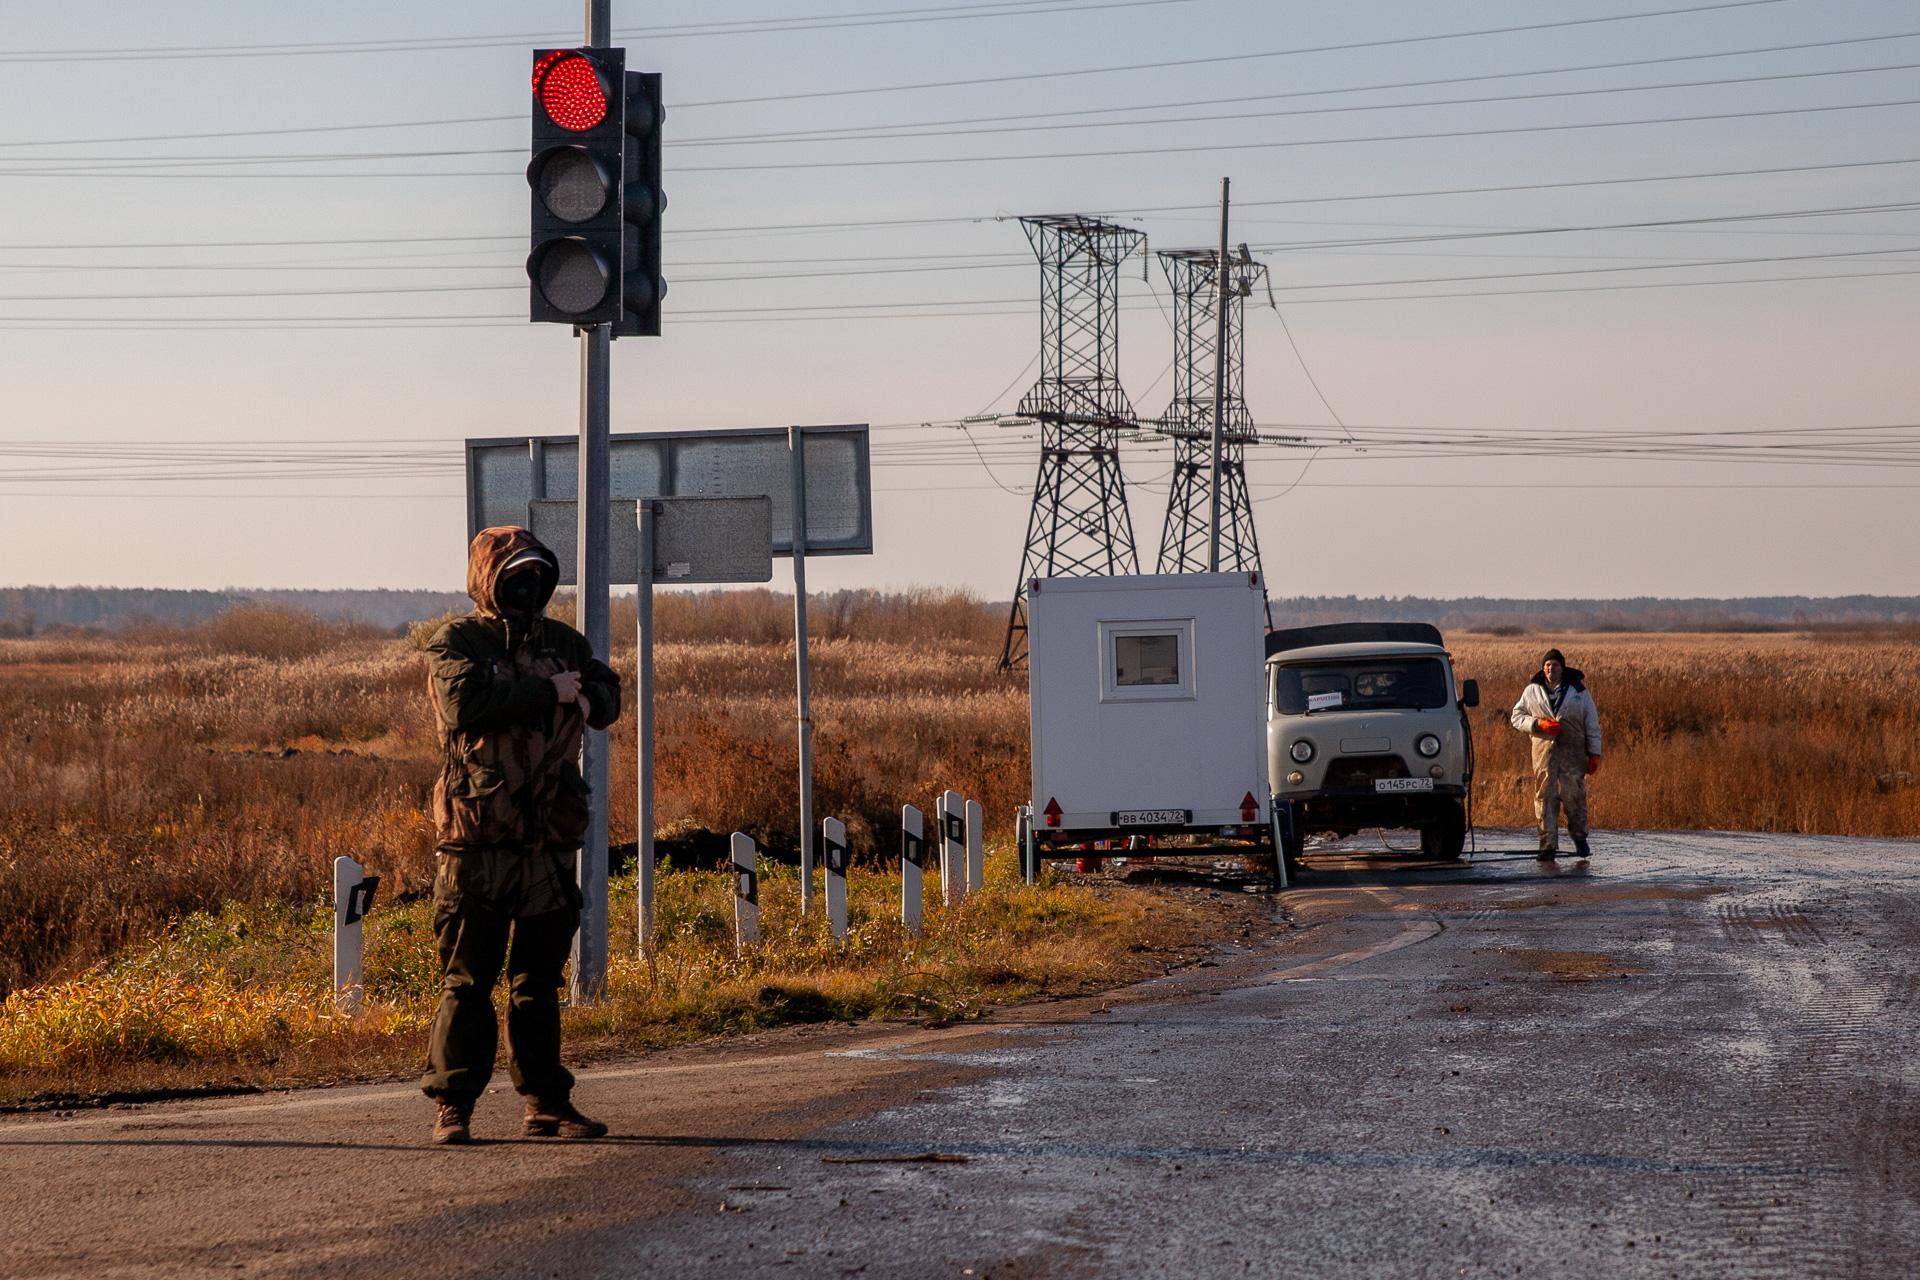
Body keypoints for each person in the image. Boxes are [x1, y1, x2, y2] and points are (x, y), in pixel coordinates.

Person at [420, 526, 622, 1146]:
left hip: (548, 838)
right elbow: (465, 708)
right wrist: (548, 692)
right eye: (515, 573)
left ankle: (546, 1103)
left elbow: (608, 692)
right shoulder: (458, 642)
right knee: (467, 979)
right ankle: (453, 1105)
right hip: (477, 838)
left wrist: (591, 698)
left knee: (539, 982)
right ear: (489, 577)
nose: (528, 584)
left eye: (537, 573)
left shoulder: (563, 642)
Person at [1509, 647, 1603, 859]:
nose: (1551, 668)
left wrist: (1594, 753)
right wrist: (1537, 724)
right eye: (1548, 665)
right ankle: (1548, 844)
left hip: (1573, 754)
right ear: (1543, 669)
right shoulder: (1531, 690)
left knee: (1574, 797)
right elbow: (1516, 717)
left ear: (1563, 667)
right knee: (1544, 797)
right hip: (1544, 754)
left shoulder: (1579, 692)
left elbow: (1592, 724)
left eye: (1555, 664)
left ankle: (1580, 838)